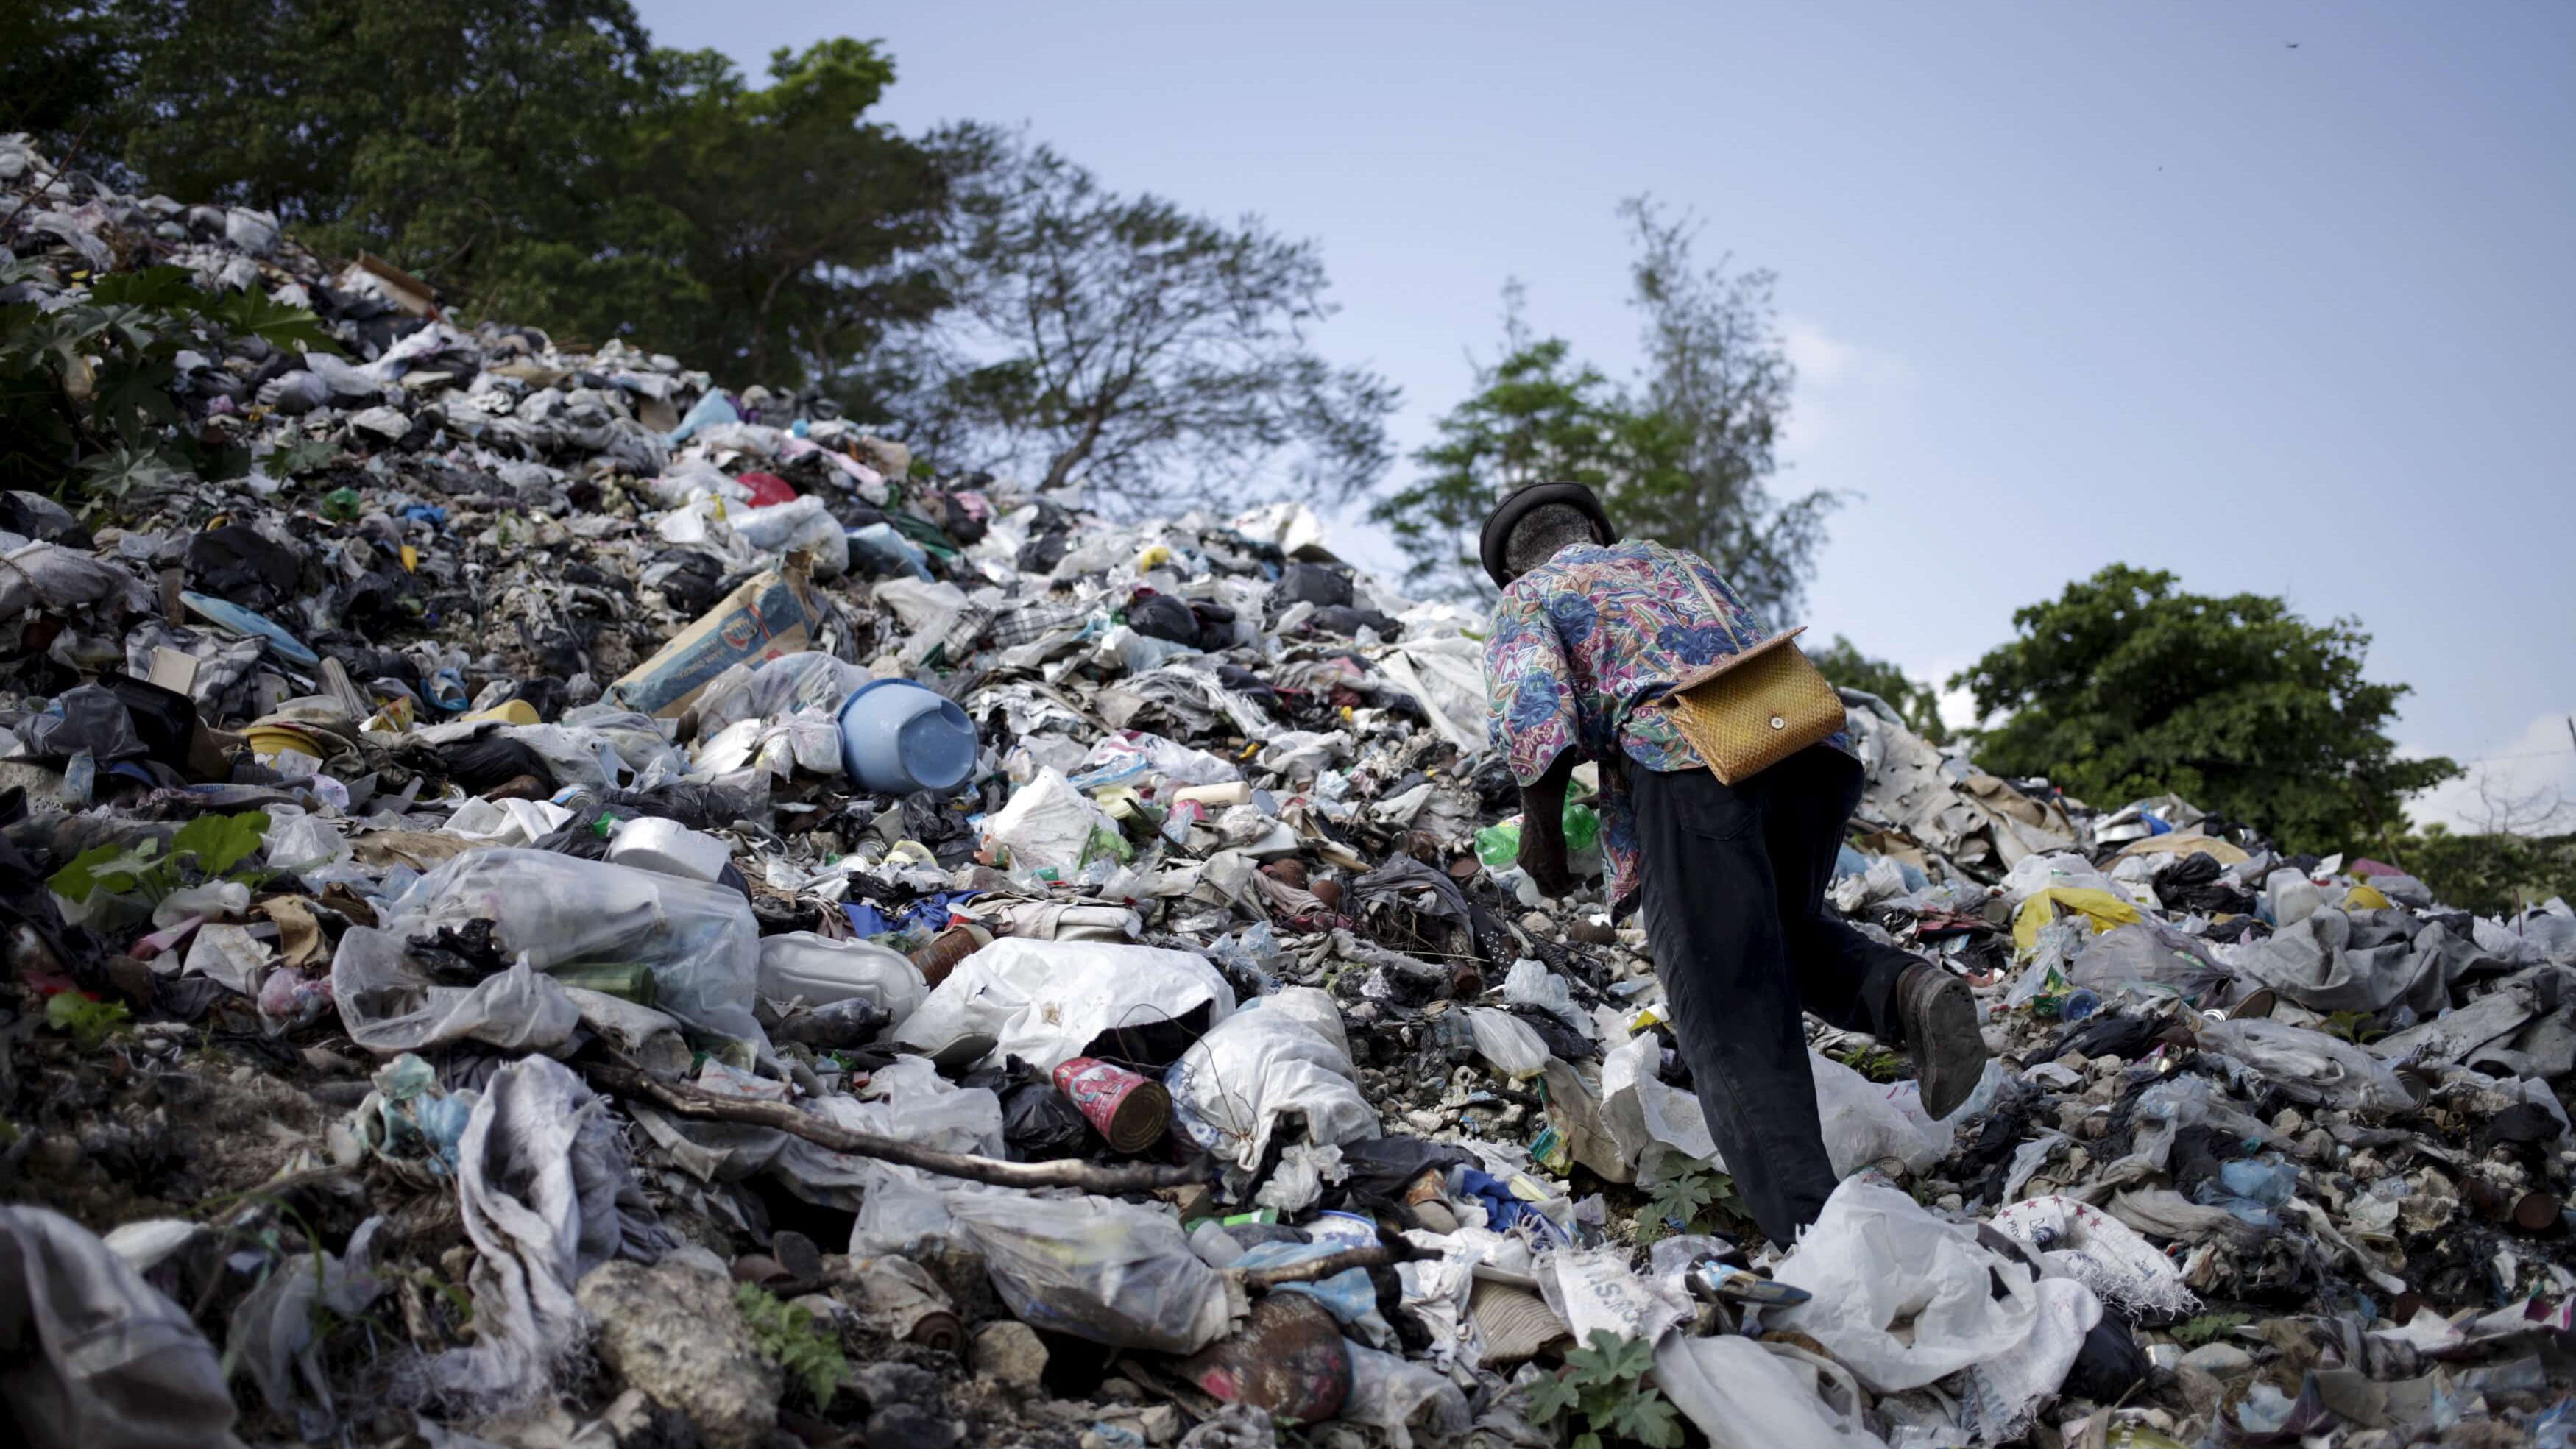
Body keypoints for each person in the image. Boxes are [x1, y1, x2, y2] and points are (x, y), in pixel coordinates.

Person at [1477, 481, 1988, 1249]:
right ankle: (1909, 991)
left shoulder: (1532, 595)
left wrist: (1540, 831)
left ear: (1512, 567)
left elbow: (1534, 709)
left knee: (1725, 1011)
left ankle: (1816, 1238)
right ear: (1592, 525)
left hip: (1690, 765)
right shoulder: (1675, 565)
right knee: (1771, 935)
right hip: (1802, 746)